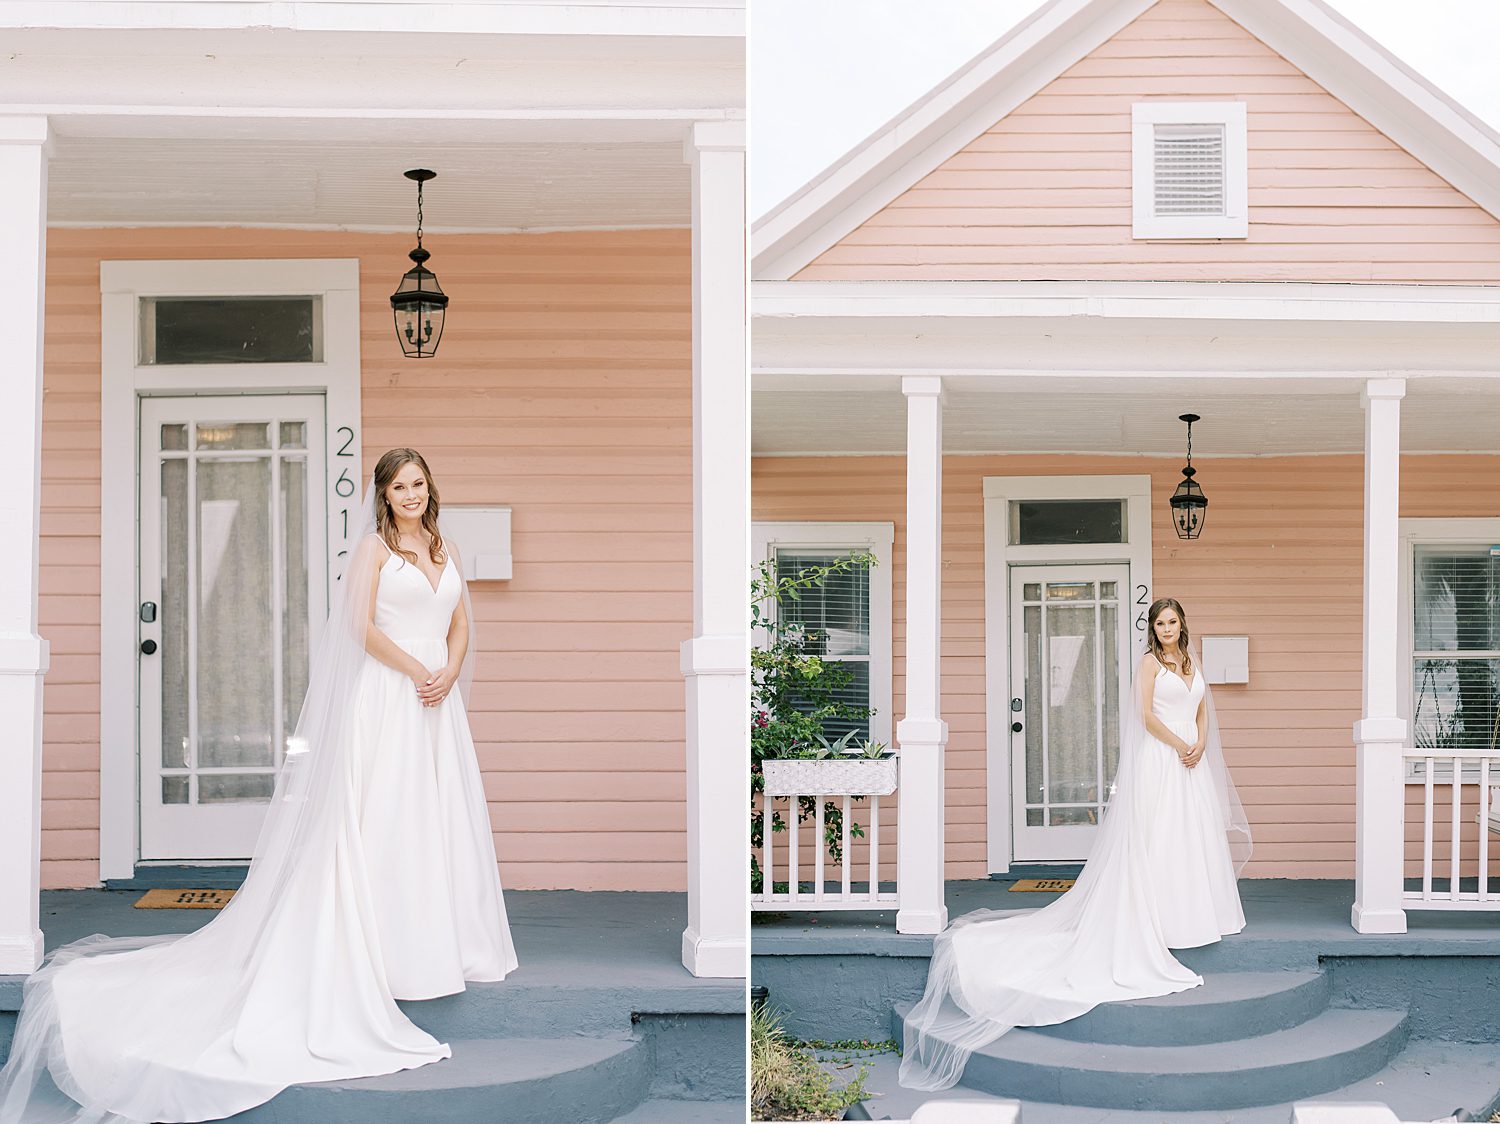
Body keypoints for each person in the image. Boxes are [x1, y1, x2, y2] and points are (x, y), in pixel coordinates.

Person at [0, 448, 517, 1124]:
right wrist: (416, 667)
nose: (411, 495)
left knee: (431, 822)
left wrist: (448, 670)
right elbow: (358, 629)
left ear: (430, 489)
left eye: (420, 484)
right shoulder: (373, 553)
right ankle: (378, 949)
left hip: (434, 707)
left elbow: (459, 623)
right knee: (381, 822)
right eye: (399, 487)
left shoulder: (443, 548)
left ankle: (434, 944)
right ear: (383, 495)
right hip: (387, 703)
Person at [898, 597, 1250, 1092]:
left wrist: (1201, 745)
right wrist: (1178, 746)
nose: (1167, 629)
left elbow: (1203, 709)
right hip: (1161, 758)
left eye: (1173, 622)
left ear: (1183, 625)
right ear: (1152, 629)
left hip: (1190, 760)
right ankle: (1158, 916)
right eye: (1160, 623)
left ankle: (1194, 913)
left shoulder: (1194, 663)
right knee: (1159, 838)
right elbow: (1145, 716)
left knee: (1189, 838)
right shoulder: (1149, 663)